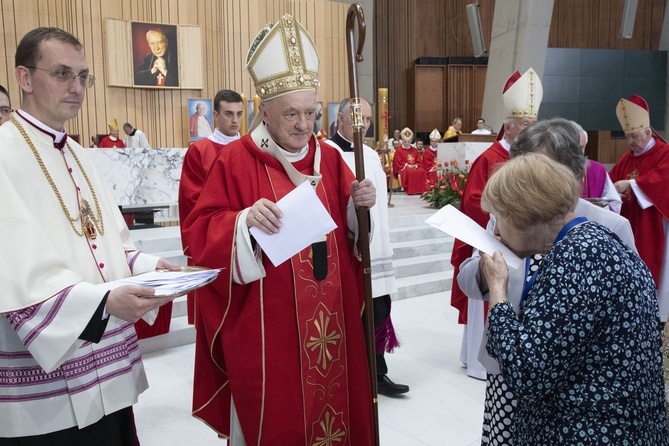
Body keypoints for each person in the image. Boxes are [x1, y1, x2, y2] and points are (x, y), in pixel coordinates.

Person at [180, 14, 375, 444]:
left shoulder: (333, 158)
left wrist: (359, 207)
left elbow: (353, 241)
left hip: (334, 326)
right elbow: (200, 232)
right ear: (264, 110)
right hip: (270, 338)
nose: (304, 125)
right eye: (291, 113)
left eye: (310, 112)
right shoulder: (235, 162)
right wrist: (243, 222)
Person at [0, 26, 180, 443]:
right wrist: (102, 301)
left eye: (83, 76)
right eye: (62, 73)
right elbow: (19, 270)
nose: (77, 87)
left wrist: (155, 268)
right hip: (46, 389)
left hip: (109, 369)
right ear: (24, 78)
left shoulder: (82, 156)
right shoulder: (5, 153)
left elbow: (112, 242)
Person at [458, 118, 637, 445]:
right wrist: (492, 272)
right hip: (508, 370)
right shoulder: (507, 213)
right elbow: (468, 279)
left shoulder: (608, 226)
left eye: (540, 172)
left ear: (571, 175)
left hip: (574, 389)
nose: (528, 186)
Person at [478, 153, 669, 444]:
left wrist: (499, 291)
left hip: (587, 430)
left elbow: (526, 374)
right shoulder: (596, 240)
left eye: (500, 218)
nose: (498, 231)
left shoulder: (577, 258)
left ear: (525, 213)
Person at [450, 67, 543, 380]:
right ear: (509, 125)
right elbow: (473, 201)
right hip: (494, 241)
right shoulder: (490, 157)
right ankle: (480, 360)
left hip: (526, 241)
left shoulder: (532, 158)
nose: (531, 130)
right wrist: (508, 212)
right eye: (525, 124)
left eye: (534, 124)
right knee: (492, 296)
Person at [325, 97, 408, 396]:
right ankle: (351, 375)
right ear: (341, 119)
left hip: (378, 248)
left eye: (369, 120)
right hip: (347, 252)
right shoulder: (328, 154)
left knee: (378, 309)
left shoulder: (371, 155)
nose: (365, 125)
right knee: (351, 313)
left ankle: (377, 372)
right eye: (359, 119)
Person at [179, 88, 243, 324]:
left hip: (247, 237)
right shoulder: (200, 151)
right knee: (213, 316)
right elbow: (193, 199)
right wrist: (232, 220)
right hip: (214, 238)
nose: (235, 120)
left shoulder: (250, 148)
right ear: (215, 115)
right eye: (228, 114)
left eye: (239, 114)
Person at [610, 94, 669, 324]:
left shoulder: (664, 153)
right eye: (627, 137)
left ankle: (656, 319)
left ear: (648, 132)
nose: (630, 142)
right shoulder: (626, 159)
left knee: (657, 277)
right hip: (630, 227)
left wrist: (632, 184)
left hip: (655, 229)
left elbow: (663, 180)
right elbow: (610, 185)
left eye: (634, 136)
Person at [569, 120, 621, 213]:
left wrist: (600, 208)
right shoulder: (551, 168)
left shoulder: (597, 170)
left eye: (581, 147)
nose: (578, 152)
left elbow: (614, 202)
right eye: (574, 147)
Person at [392, 127, 428, 195]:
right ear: (402, 141)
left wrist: (416, 165)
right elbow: (398, 162)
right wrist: (408, 165)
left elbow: (418, 160)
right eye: (405, 141)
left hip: (414, 166)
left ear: (411, 141)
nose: (407, 143)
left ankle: (422, 190)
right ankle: (410, 190)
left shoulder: (414, 150)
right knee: (410, 172)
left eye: (408, 141)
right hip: (404, 167)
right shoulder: (399, 151)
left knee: (422, 171)